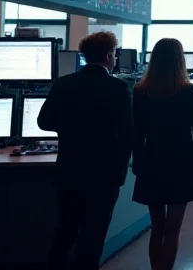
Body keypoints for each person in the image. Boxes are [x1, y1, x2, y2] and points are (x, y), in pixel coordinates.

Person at [38, 31, 133, 270]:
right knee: (93, 236)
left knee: (65, 232)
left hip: (69, 170)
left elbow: (44, 122)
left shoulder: (64, 83)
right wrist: (120, 170)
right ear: (109, 56)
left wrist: (70, 128)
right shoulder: (119, 87)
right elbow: (127, 133)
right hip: (104, 174)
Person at [132, 38, 193, 270]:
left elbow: (137, 132)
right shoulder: (190, 92)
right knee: (173, 229)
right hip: (182, 161)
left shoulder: (141, 92)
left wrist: (138, 161)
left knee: (157, 226)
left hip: (152, 159)